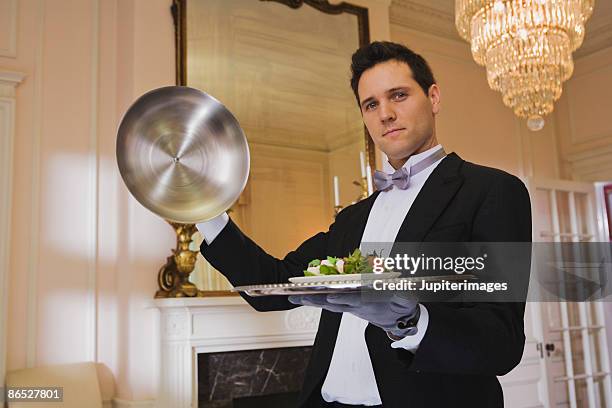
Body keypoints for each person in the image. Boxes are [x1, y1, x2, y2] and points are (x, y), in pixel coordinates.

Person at [197, 41, 532, 408]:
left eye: (399, 95)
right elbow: (273, 283)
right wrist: (206, 210)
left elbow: (502, 342)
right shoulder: (351, 219)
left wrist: (410, 320)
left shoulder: (494, 191)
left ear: (433, 97)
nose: (385, 114)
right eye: (371, 104)